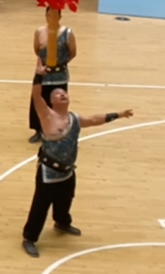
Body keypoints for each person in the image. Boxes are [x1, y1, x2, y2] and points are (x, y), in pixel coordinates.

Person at [23, 80, 133, 258]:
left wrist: (118, 114)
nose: (62, 94)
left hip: (67, 170)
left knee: (66, 199)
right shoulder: (47, 116)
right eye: (58, 94)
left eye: (64, 93)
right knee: (40, 206)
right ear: (51, 101)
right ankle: (29, 238)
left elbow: (94, 120)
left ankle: (62, 223)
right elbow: (36, 96)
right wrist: (39, 77)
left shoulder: (75, 119)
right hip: (48, 171)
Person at [29, 6, 75, 142]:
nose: (51, 18)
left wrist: (59, 65)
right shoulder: (39, 31)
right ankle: (39, 130)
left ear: (59, 17)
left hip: (59, 75)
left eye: (54, 15)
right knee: (38, 101)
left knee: (58, 104)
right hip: (43, 73)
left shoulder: (67, 32)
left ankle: (57, 130)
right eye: (48, 15)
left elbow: (73, 52)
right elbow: (37, 50)